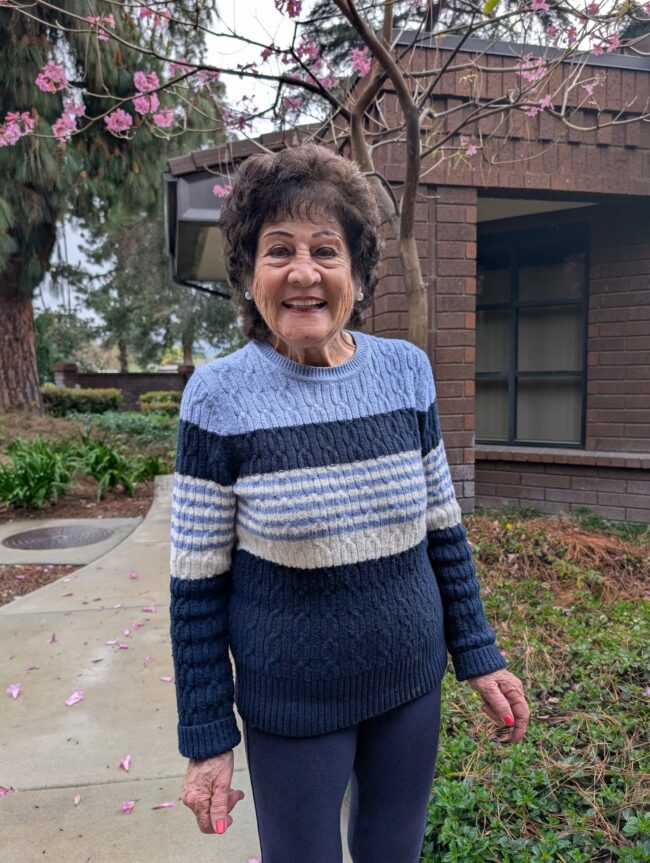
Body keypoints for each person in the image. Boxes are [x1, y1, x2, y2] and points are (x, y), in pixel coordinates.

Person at [169, 143, 530, 863]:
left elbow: (443, 532)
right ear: (248, 275)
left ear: (359, 276)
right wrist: (208, 736)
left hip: (409, 683)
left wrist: (477, 652)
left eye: (326, 250)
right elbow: (196, 586)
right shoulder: (218, 398)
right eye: (279, 250)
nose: (304, 272)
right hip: (293, 703)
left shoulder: (406, 373)